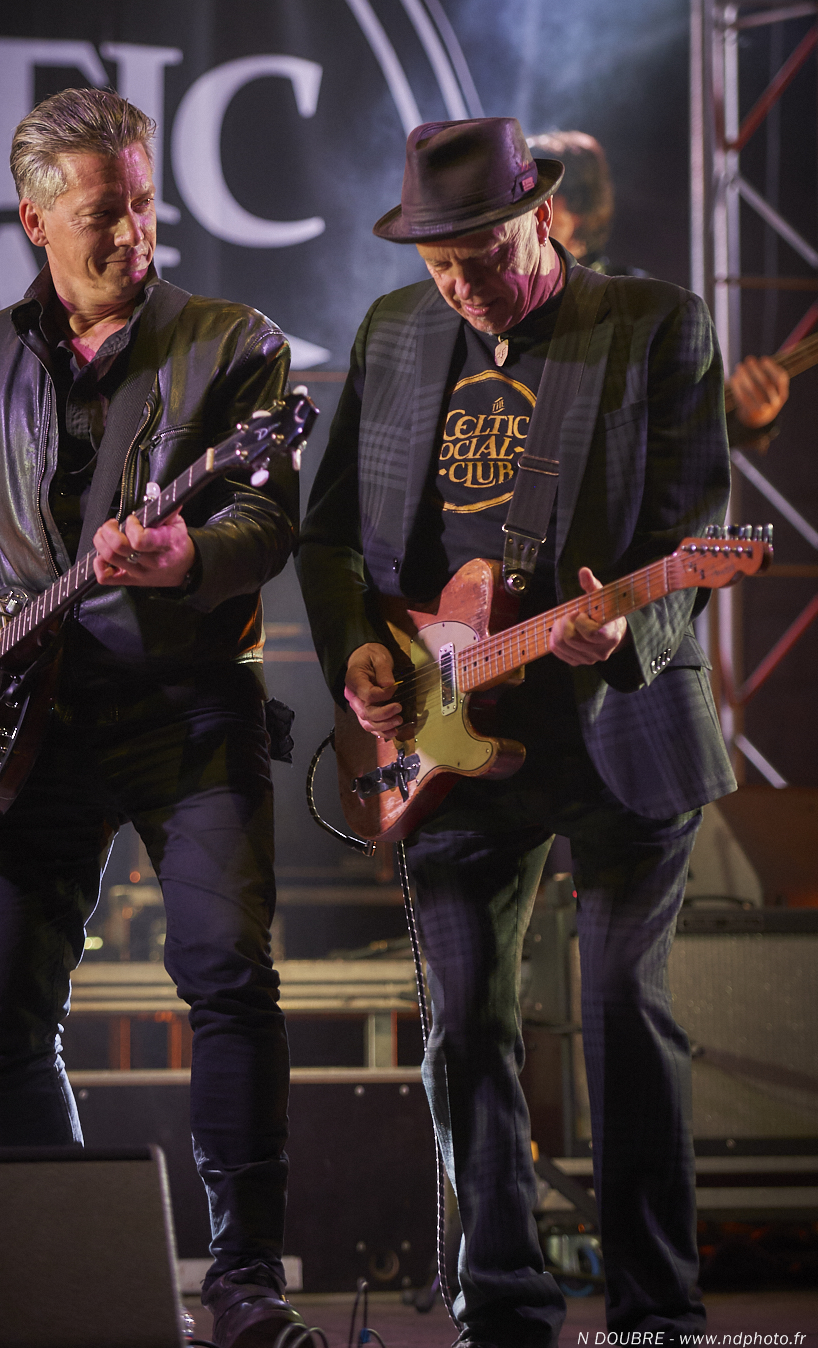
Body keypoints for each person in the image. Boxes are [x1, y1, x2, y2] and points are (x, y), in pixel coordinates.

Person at [0, 88, 305, 1348]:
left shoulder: (232, 343)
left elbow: (269, 519)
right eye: (105, 213)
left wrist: (187, 556)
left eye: (145, 204)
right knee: (2, 1023)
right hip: (19, 730)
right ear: (36, 220)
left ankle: (244, 1285)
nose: (134, 233)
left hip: (186, 709)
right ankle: (67, 1279)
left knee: (227, 979)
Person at [297, 118, 738, 1346]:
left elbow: (691, 533)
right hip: (445, 738)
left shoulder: (651, 324)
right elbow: (328, 538)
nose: (461, 283)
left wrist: (627, 626)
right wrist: (358, 657)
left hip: (617, 726)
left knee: (620, 1010)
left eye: (482, 255)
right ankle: (500, 1305)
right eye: (438, 261)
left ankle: (656, 1313)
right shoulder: (393, 333)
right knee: (464, 1025)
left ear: (540, 214)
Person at [529, 128, 789, 447]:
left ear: (578, 209)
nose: (524, 214)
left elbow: (686, 422)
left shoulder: (637, 300)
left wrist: (750, 418)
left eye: (540, 199)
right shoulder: (495, 294)